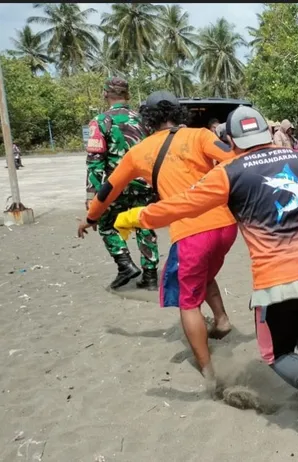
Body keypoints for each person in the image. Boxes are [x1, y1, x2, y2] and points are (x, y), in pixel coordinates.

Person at [112, 106, 298, 453]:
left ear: (230, 140)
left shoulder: (228, 172)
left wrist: (137, 216)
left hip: (277, 278)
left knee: (275, 353)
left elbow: (183, 205)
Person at [78, 90, 239, 379]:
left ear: (147, 119)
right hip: (226, 227)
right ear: (178, 113)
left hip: (190, 232)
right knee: (205, 273)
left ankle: (209, 373)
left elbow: (108, 189)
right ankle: (222, 320)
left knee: (188, 304)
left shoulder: (138, 152)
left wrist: (91, 217)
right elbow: (234, 159)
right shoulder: (200, 136)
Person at [85, 77, 159, 290]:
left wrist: (93, 196)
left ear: (105, 94)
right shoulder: (144, 120)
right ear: (127, 95)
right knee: (145, 225)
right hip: (145, 183)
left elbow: (94, 163)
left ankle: (125, 264)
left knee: (107, 226)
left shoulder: (99, 121)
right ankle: (151, 276)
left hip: (115, 185)